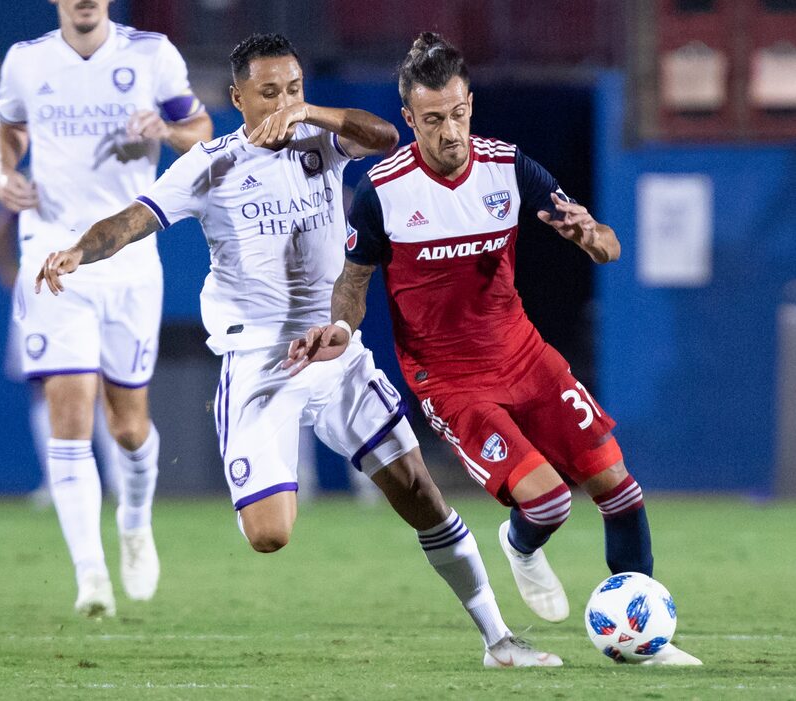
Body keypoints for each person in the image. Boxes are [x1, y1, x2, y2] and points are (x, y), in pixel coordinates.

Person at [35, 32, 562, 668]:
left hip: (335, 348)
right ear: (237, 99)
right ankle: (244, 439)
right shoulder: (209, 164)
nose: (284, 102)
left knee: (422, 495)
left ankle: (499, 641)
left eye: (294, 89)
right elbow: (131, 222)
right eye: (269, 93)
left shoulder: (319, 140)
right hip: (261, 360)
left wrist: (312, 113)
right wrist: (77, 250)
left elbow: (383, 138)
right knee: (270, 535)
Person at [284, 32, 702, 666]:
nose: (449, 131)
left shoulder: (509, 168)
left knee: (620, 489)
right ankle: (521, 542)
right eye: (433, 119)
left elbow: (609, 246)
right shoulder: (382, 190)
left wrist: (590, 236)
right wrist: (339, 333)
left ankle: (646, 642)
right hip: (451, 380)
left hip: (527, 356)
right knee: (550, 501)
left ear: (470, 104)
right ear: (410, 118)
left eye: (458, 113)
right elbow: (353, 283)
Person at [0, 0, 213, 617]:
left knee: (127, 427)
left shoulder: (151, 53)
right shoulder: (26, 61)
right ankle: (91, 577)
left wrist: (164, 132)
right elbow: (9, 126)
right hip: (50, 248)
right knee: (67, 409)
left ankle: (135, 522)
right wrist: (2, 169)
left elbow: (200, 130)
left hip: (128, 257)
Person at [0, 203, 122, 506]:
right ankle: (61, 481)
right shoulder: (38, 177)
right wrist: (9, 271)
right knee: (46, 387)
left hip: (85, 283)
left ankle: (112, 480)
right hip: (44, 287)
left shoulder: (91, 171)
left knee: (98, 383)